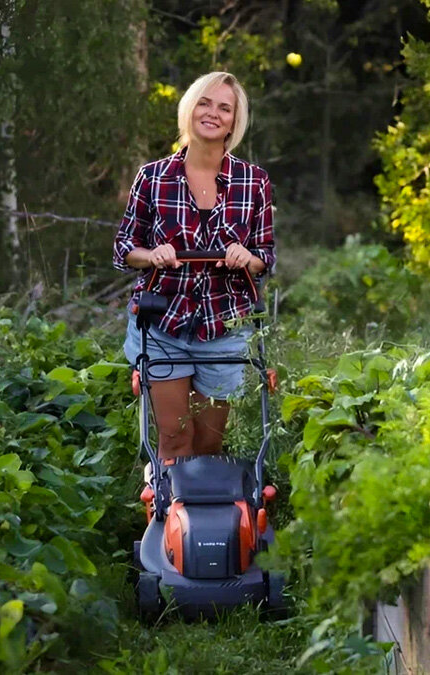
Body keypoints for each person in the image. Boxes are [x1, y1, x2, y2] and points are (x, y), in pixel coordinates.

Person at [113, 71, 275, 461]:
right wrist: (151, 255)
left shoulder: (253, 183)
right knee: (175, 439)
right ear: (190, 108)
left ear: (234, 121)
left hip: (224, 328)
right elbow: (124, 248)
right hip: (164, 325)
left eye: (224, 107)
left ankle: (206, 516)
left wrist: (246, 257)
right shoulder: (153, 178)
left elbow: (265, 257)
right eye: (204, 102)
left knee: (207, 446)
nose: (212, 113)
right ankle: (168, 513)